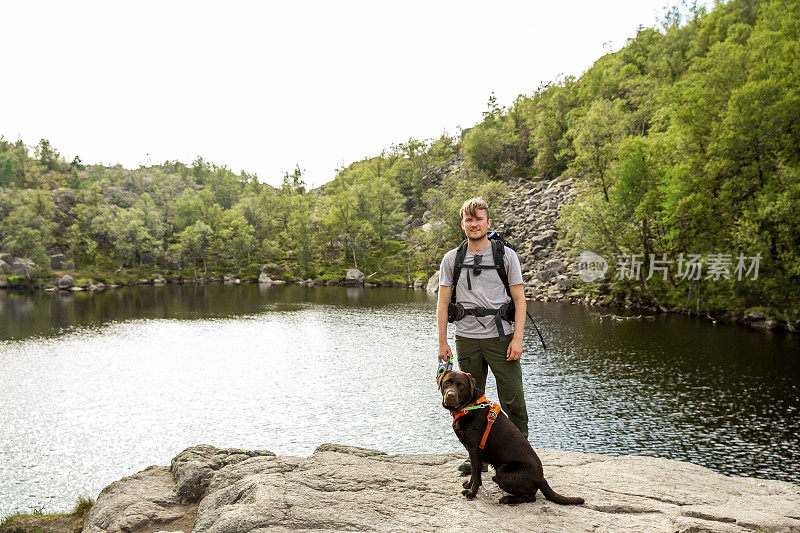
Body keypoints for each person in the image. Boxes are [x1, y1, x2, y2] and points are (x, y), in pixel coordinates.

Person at [436, 197, 529, 473]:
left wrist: (518, 339)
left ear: (488, 223)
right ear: (462, 224)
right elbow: (442, 302)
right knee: (470, 402)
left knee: (513, 399)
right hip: (466, 337)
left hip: (502, 339)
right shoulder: (452, 259)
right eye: (469, 219)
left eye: (479, 219)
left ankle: (521, 456)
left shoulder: (506, 256)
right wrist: (442, 342)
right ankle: (477, 458)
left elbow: (520, 301)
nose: (474, 224)